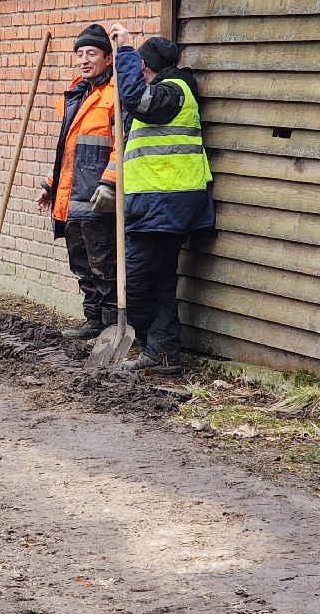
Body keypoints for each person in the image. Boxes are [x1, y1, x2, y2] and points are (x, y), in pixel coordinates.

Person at [107, 23, 213, 376]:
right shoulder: (166, 90)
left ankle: (154, 345)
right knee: (161, 279)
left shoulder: (172, 91)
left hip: (165, 201)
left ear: (145, 66)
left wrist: (122, 51)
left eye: (137, 63)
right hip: (156, 201)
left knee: (136, 280)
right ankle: (164, 353)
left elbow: (138, 100)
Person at [37, 25, 119, 340]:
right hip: (71, 195)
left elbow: (119, 146)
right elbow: (67, 149)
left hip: (98, 196)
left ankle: (112, 327)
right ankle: (93, 320)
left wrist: (109, 184)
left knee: (104, 264)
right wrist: (50, 185)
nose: (84, 60)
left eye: (91, 54)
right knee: (81, 263)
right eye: (80, 54)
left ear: (107, 57)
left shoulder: (114, 96)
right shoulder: (78, 92)